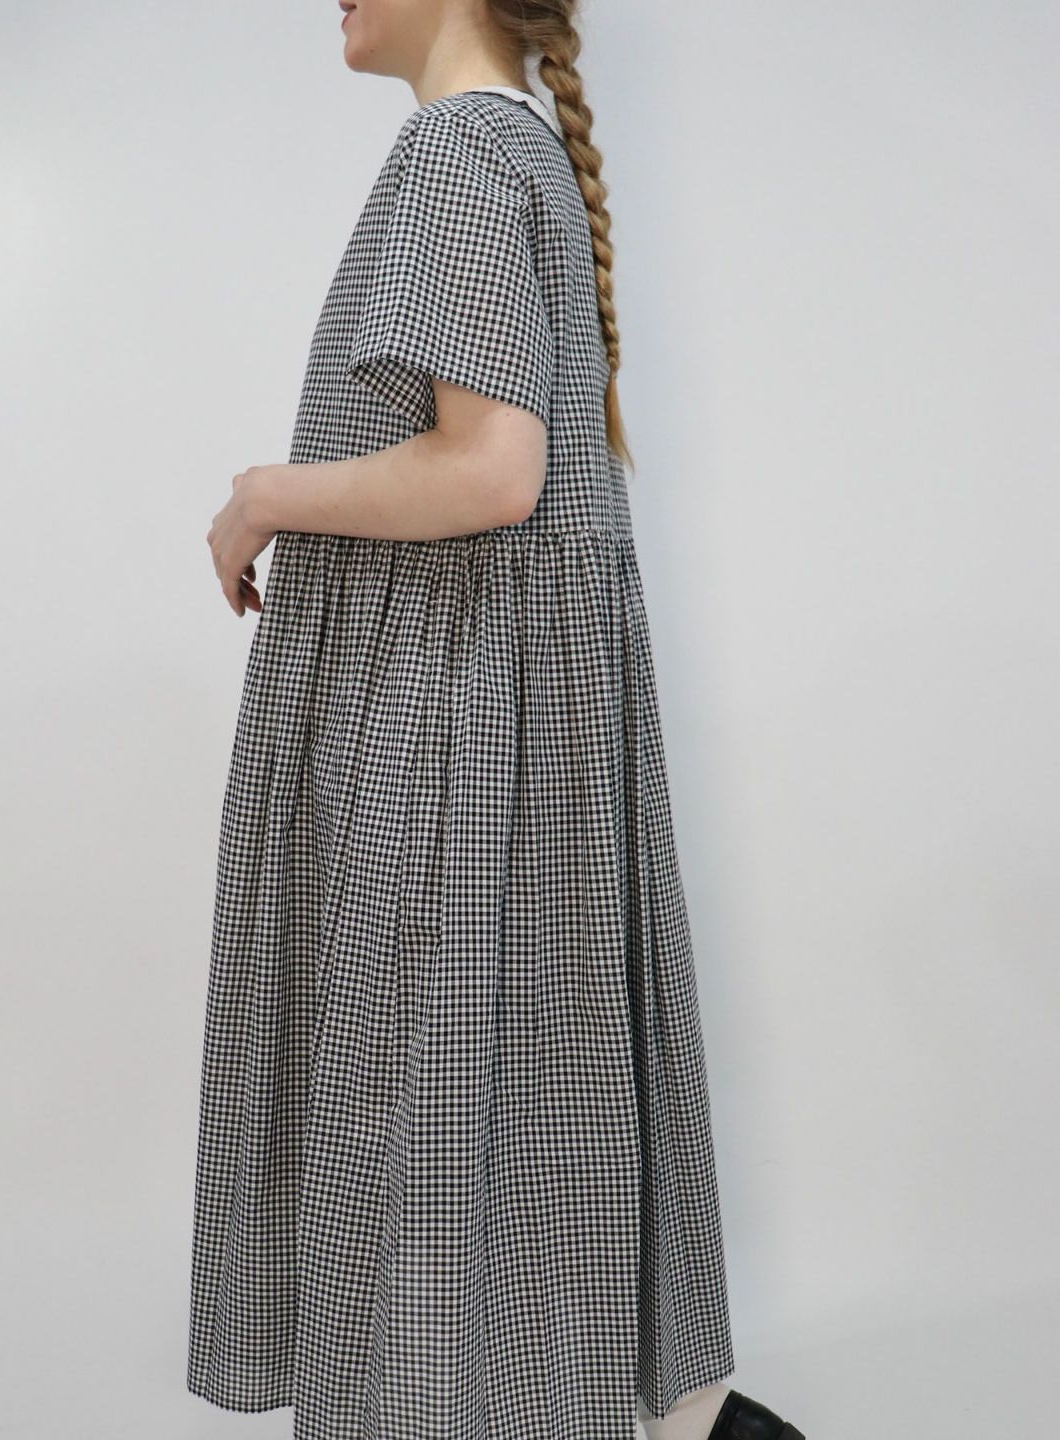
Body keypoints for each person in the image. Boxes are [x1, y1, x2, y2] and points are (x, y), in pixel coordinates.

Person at [190, 3, 806, 1439]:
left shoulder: (460, 153)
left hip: (444, 723)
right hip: (503, 716)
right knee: (532, 1086)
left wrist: (264, 494)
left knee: (413, 1095)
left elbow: (491, 469)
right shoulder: (513, 149)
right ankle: (682, 1416)